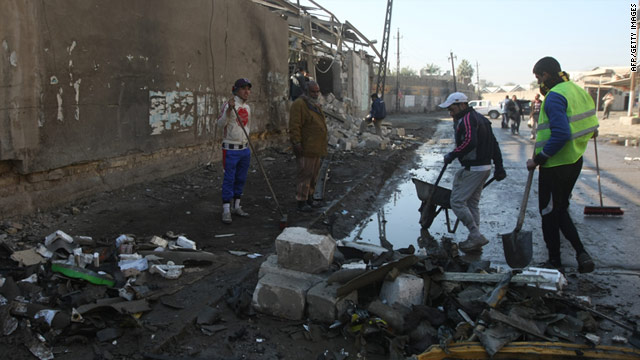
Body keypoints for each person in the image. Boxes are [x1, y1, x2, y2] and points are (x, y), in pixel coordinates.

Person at [528, 56, 599, 273]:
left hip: (555, 166)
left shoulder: (554, 97)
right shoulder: (577, 91)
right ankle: (581, 254)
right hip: (574, 161)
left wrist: (539, 159)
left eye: (539, 77)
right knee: (560, 209)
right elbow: (593, 129)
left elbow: (560, 134)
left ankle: (555, 260)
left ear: (546, 75)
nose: (539, 82)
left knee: (549, 212)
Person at [438, 92, 507, 253]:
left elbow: (470, 141)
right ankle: (474, 237)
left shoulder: (468, 119)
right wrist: (498, 166)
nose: (450, 112)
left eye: (452, 108)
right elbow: (494, 144)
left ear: (462, 105)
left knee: (457, 201)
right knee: (472, 203)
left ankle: (475, 235)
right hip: (484, 167)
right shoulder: (481, 119)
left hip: (475, 167)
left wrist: (453, 154)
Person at [217, 78, 253, 224]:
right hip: (230, 149)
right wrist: (229, 110)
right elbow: (220, 124)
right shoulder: (228, 105)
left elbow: (247, 126)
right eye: (243, 88)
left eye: (248, 89)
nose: (247, 92)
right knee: (229, 179)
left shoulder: (248, 108)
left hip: (244, 149)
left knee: (241, 178)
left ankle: (237, 206)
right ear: (236, 90)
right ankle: (226, 210)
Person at [289, 80, 328, 212]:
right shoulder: (299, 104)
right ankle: (301, 200)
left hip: (316, 147)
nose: (316, 94)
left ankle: (310, 197)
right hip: (306, 147)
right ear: (306, 91)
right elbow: (294, 126)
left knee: (313, 174)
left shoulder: (314, 104)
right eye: (313, 91)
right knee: (305, 174)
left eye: (317, 91)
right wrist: (296, 142)